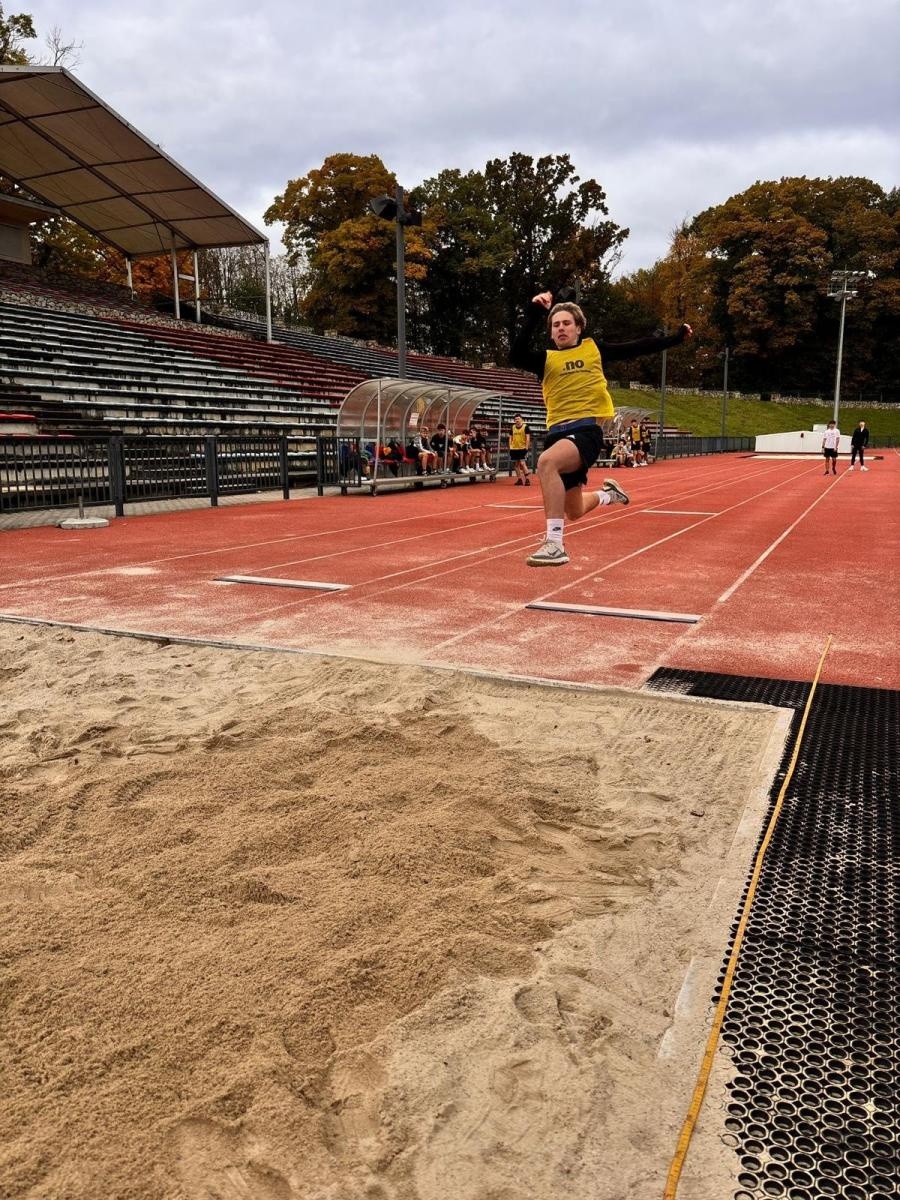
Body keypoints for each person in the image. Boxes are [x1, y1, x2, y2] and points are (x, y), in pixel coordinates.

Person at [511, 291, 692, 565]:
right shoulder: (546, 360)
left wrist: (676, 338)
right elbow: (516, 354)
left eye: (566, 323)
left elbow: (638, 346)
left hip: (586, 431)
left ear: (578, 327)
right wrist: (536, 312)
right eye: (556, 325)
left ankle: (554, 544)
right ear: (550, 332)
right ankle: (609, 495)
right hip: (557, 434)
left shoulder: (594, 349)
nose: (561, 328)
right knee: (574, 510)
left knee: (546, 463)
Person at [509, 414, 532, 485]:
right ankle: (519, 479)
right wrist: (510, 446)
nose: (517, 420)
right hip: (514, 448)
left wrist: (526, 447)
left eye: (518, 419)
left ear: (521, 419)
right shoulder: (512, 427)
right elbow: (510, 437)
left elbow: (527, 437)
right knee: (516, 465)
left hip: (522, 448)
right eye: (516, 419)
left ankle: (527, 479)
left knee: (522, 463)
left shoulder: (525, 427)